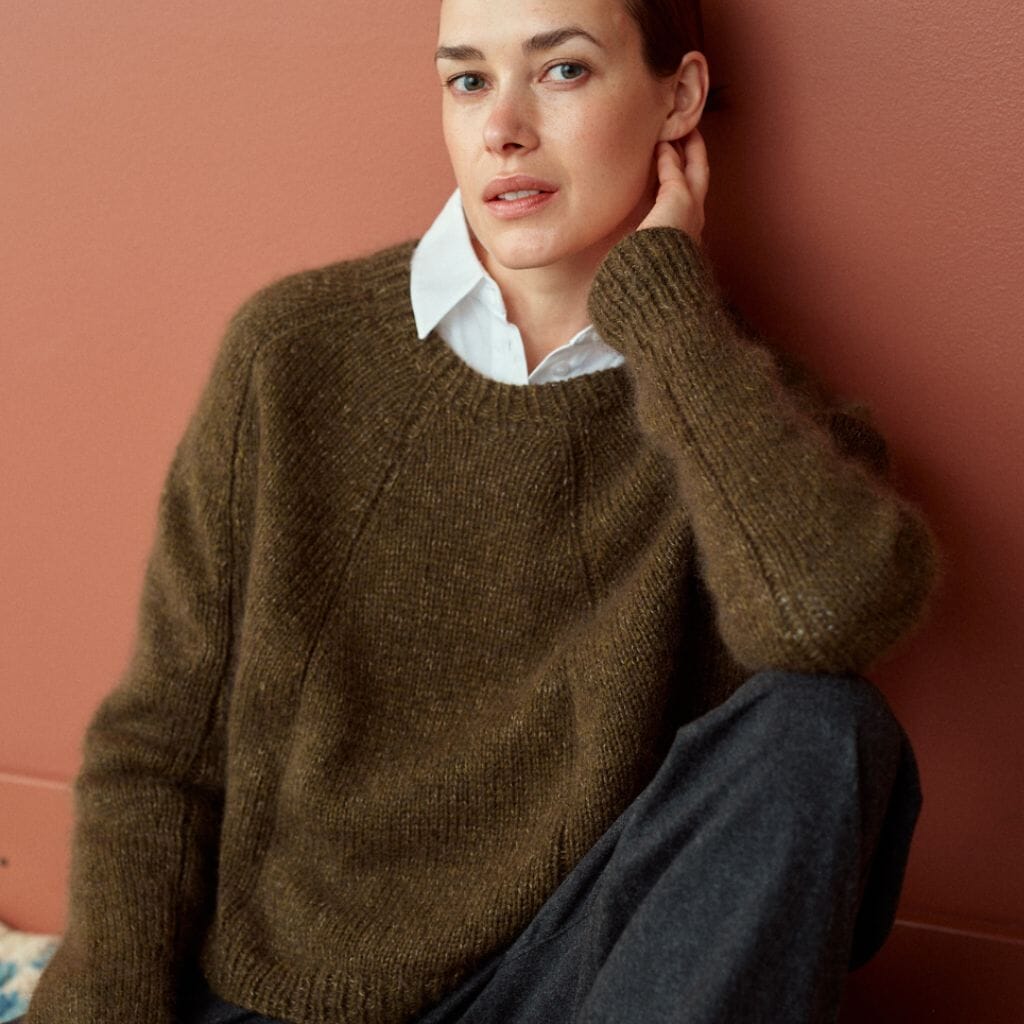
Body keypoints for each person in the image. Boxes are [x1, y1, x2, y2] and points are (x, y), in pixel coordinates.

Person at [21, 0, 937, 1021]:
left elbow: (825, 620)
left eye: (562, 72)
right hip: (290, 998)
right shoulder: (295, 358)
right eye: (466, 80)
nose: (501, 126)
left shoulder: (749, 419)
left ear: (677, 98)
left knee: (823, 725)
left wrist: (668, 318)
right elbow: (157, 747)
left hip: (568, 986)